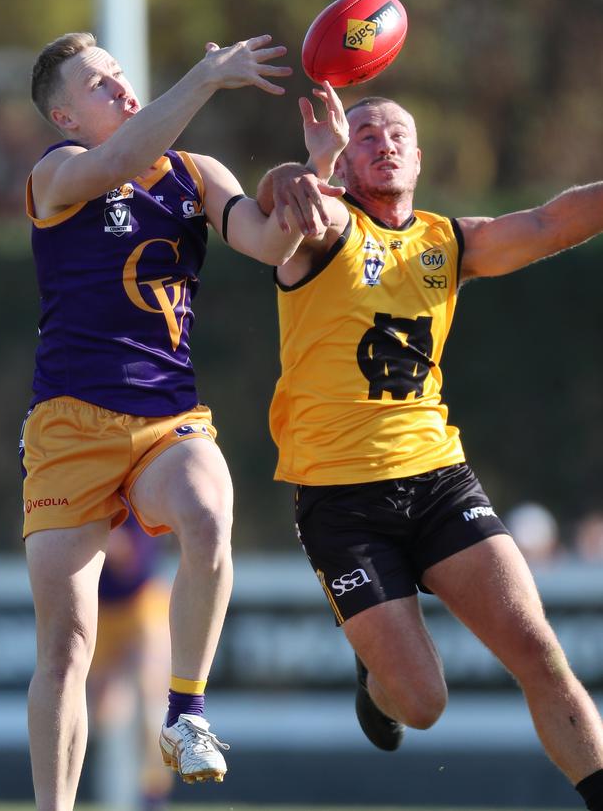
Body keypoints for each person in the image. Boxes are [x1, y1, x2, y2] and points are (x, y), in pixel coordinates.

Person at [256, 87, 603, 810]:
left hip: (439, 480)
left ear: (418, 156)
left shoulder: (448, 242)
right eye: (366, 134)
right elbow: (275, 199)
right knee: (422, 703)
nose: (383, 141)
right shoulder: (324, 228)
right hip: (341, 503)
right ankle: (378, 685)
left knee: (538, 651)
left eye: (397, 134)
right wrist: (292, 173)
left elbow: (548, 222)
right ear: (345, 161)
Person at [21, 31, 337, 811]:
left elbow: (267, 243)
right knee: (66, 646)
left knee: (208, 513)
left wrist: (320, 168)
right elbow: (114, 164)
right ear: (65, 117)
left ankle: (186, 713)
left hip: (165, 420)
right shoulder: (57, 173)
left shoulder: (196, 174)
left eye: (120, 74)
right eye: (98, 84)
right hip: (68, 427)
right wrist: (206, 75)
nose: (121, 87)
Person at [88, 514, 174, 810]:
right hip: (97, 608)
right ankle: (116, 799)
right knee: (106, 714)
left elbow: (129, 558)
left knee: (151, 698)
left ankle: (153, 795)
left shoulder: (136, 480)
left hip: (142, 599)